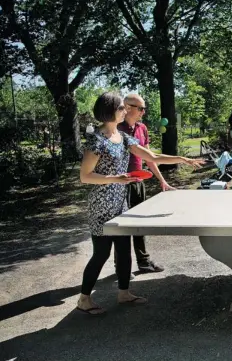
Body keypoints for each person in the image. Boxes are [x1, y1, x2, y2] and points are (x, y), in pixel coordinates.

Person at [77, 92, 204, 315]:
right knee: (102, 254)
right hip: (101, 206)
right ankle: (84, 299)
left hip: (120, 203)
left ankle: (124, 293)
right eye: (120, 108)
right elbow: (85, 176)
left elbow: (151, 157)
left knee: (125, 251)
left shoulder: (123, 138)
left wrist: (181, 159)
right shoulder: (97, 140)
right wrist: (117, 178)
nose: (124, 110)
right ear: (110, 111)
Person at [114, 93, 173, 278]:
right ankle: (121, 266)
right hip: (121, 184)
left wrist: (161, 180)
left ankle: (144, 262)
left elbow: (149, 158)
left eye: (144, 108)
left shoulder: (142, 128)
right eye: (140, 108)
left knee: (139, 224)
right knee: (122, 226)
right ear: (128, 107)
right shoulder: (116, 128)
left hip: (139, 183)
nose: (143, 112)